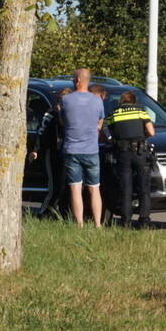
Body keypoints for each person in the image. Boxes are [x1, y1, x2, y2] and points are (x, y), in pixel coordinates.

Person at [60, 68, 105, 226]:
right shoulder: (97, 100)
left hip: (72, 149)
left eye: (73, 78)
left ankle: (79, 223)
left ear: (78, 80)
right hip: (91, 150)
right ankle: (98, 224)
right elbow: (100, 123)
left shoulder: (66, 100)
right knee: (94, 188)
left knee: (75, 189)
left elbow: (63, 121)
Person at [106, 90, 155, 228]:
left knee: (125, 188)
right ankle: (144, 221)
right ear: (134, 101)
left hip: (123, 154)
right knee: (143, 188)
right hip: (140, 153)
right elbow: (151, 132)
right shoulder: (141, 112)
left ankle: (125, 221)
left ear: (121, 101)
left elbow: (108, 134)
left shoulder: (114, 114)